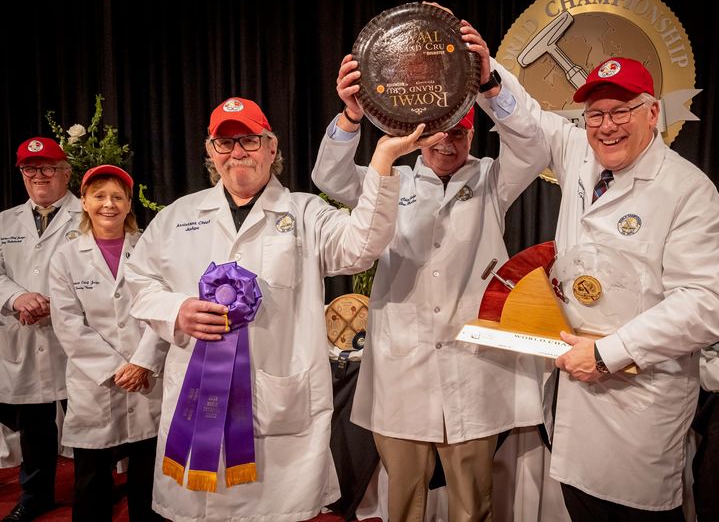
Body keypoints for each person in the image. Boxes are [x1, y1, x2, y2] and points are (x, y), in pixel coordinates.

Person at [124, 96, 442, 521]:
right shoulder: (178, 217)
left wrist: (383, 159)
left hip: (276, 410)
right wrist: (176, 309)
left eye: (250, 141)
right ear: (210, 152)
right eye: (225, 142)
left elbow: (361, 246)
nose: (238, 151)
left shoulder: (305, 212)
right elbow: (139, 281)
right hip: (198, 403)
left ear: (272, 149)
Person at [312, 19, 548, 521]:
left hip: (474, 362)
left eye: (459, 132)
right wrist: (352, 118)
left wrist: (488, 84)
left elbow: (532, 147)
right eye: (437, 133)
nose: (447, 143)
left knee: (472, 504)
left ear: (471, 130)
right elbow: (329, 176)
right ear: (418, 135)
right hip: (404, 365)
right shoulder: (389, 177)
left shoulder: (491, 179)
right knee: (404, 501)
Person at [501, 57, 719, 520]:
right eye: (595, 114)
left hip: (638, 404)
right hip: (574, 401)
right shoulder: (580, 156)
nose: (606, 126)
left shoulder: (688, 191)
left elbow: (707, 304)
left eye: (621, 111)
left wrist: (611, 351)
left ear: (653, 113)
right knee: (581, 505)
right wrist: (487, 73)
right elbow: (525, 115)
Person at [49, 164, 167, 521]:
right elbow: (68, 325)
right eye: (99, 195)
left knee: (149, 485)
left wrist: (142, 362)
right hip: (95, 385)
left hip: (147, 379)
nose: (108, 204)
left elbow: (162, 309)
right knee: (91, 484)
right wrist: (120, 369)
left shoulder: (150, 248)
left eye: (118, 196)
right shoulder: (66, 258)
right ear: (83, 202)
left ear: (130, 204)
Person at [0, 137, 81, 522]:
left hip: (74, 337)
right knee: (34, 424)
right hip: (25, 334)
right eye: (30, 169)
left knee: (85, 420)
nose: (39, 176)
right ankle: (36, 494)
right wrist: (16, 298)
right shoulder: (5, 221)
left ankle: (89, 490)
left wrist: (55, 303)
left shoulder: (88, 216)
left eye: (48, 167)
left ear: (66, 173)